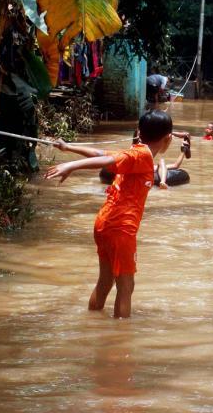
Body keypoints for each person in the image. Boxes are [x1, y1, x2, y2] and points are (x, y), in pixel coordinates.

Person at [45, 110, 174, 318]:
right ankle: (119, 345)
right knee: (126, 288)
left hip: (104, 223)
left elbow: (101, 155)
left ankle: (93, 323)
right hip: (121, 229)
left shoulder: (137, 151)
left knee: (105, 281)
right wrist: (71, 165)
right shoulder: (142, 155)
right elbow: (105, 161)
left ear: (140, 132)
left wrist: (69, 148)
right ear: (168, 138)